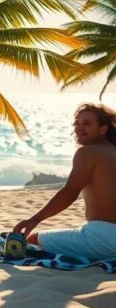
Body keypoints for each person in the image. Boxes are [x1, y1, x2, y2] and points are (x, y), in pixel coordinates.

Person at [12, 103, 116, 261]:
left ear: (103, 129)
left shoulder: (87, 152)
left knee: (33, 240)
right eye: (77, 123)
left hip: (104, 237)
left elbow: (70, 192)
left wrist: (35, 219)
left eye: (87, 124)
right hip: (107, 235)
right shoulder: (111, 151)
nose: (79, 128)